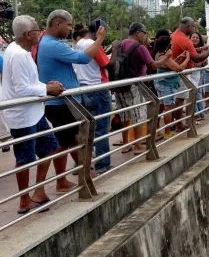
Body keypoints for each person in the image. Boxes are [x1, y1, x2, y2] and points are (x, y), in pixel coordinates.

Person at [0, 15, 65, 213]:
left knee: (50, 147)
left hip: (34, 112)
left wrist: (47, 86)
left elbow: (27, 83)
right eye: (37, 30)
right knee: (25, 157)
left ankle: (38, 190)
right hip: (22, 115)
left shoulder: (19, 50)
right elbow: (21, 88)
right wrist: (47, 89)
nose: (40, 33)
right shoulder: (18, 54)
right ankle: (24, 199)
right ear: (29, 34)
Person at [37, 10, 106, 188]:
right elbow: (83, 58)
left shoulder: (48, 42)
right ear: (58, 24)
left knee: (69, 139)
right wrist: (99, 39)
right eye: (68, 25)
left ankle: (80, 174)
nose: (70, 29)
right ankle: (76, 176)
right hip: (60, 103)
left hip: (63, 101)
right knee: (67, 140)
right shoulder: (53, 45)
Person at [115, 23, 173, 153]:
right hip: (135, 84)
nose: (146, 35)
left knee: (125, 115)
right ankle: (137, 146)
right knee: (138, 114)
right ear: (138, 32)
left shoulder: (121, 43)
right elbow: (152, 65)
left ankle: (126, 144)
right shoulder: (140, 47)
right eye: (145, 32)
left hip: (119, 84)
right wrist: (166, 58)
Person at [73, 20, 113, 174]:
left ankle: (83, 163)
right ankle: (103, 164)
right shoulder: (93, 43)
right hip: (97, 87)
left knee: (86, 129)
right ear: (100, 30)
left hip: (83, 88)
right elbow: (106, 63)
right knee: (101, 128)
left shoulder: (79, 43)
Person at [170, 18, 209, 129]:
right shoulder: (184, 40)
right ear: (188, 26)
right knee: (180, 100)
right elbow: (196, 59)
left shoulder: (175, 35)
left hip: (175, 72)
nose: (194, 29)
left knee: (178, 100)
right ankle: (179, 124)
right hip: (181, 73)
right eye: (193, 26)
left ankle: (177, 123)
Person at [153, 33, 190, 139]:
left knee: (161, 107)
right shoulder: (165, 56)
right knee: (168, 108)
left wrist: (178, 57)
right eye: (170, 43)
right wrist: (187, 59)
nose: (172, 45)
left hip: (160, 83)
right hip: (166, 85)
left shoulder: (160, 54)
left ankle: (158, 131)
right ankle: (167, 132)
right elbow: (178, 68)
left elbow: (170, 66)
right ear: (166, 45)